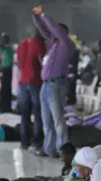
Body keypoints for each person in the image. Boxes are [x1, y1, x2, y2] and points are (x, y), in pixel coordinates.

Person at [32, 5, 75, 157]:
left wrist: (44, 15)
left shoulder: (67, 45)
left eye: (57, 32)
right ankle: (49, 149)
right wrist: (36, 17)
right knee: (47, 121)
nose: (53, 33)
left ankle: (62, 150)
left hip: (57, 84)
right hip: (46, 85)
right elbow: (45, 31)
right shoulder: (54, 44)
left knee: (58, 120)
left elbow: (54, 30)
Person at [17, 29, 45, 151]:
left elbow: (19, 63)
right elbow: (43, 62)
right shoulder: (39, 43)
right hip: (35, 81)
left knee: (25, 114)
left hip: (23, 81)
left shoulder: (22, 44)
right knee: (38, 114)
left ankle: (24, 142)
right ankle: (37, 142)